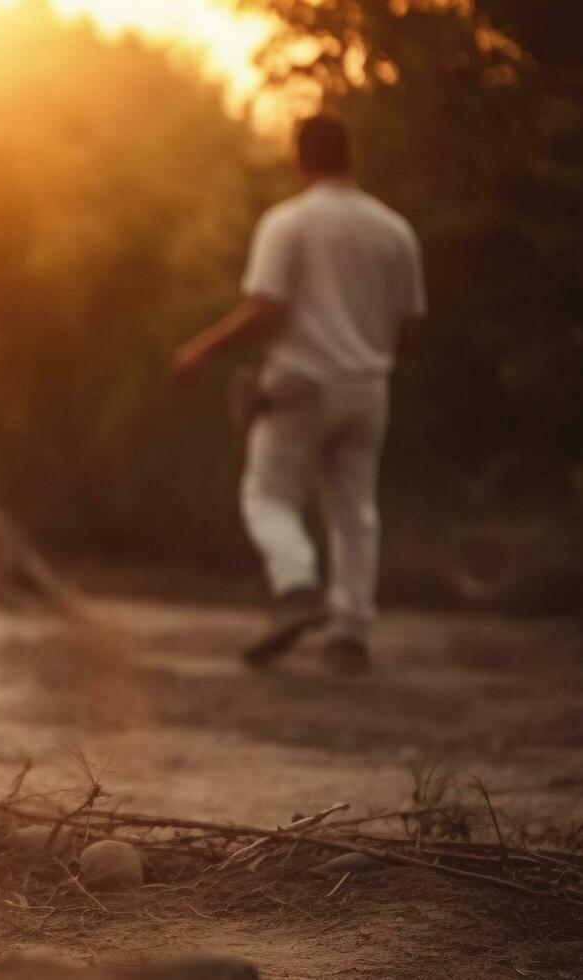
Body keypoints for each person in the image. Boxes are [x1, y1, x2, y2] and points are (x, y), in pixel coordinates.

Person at [170, 114, 426, 672]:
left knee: (266, 496)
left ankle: (296, 588)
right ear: (349, 154)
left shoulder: (289, 224)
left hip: (300, 382)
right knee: (355, 509)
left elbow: (267, 310)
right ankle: (351, 633)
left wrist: (201, 350)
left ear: (300, 156)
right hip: (368, 386)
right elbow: (408, 326)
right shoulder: (395, 230)